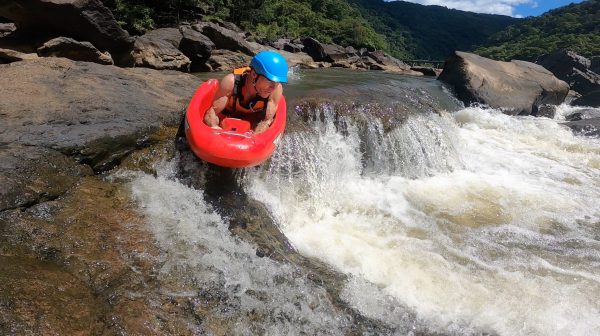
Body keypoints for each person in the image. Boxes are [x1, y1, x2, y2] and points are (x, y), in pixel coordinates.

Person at [204, 50, 288, 134]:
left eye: (277, 82)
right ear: (254, 74)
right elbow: (212, 112)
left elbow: (267, 121)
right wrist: (215, 128)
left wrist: (255, 136)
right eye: (269, 80)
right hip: (227, 117)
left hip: (253, 120)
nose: (273, 87)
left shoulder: (276, 89)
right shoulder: (231, 82)